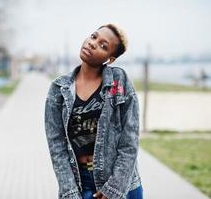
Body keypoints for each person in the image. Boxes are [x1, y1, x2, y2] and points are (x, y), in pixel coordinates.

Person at [44, 23, 143, 199]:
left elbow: (130, 142)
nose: (93, 43)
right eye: (93, 36)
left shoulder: (119, 81)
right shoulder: (58, 88)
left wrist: (114, 188)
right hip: (81, 185)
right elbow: (56, 146)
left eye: (103, 46)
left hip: (121, 185)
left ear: (110, 59)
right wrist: (70, 192)